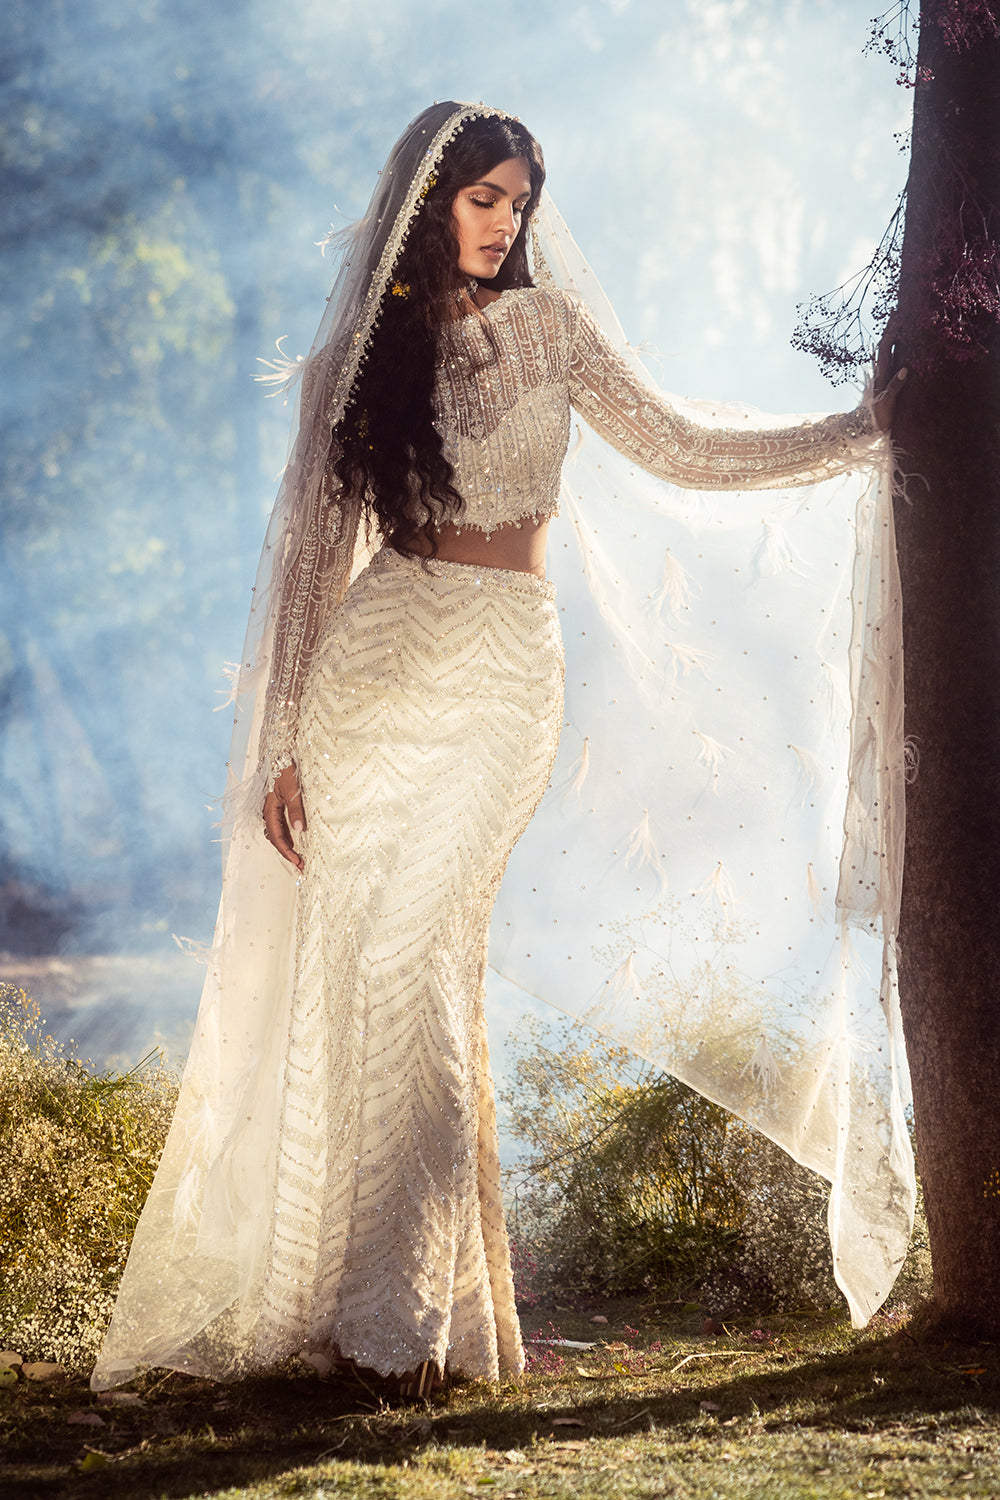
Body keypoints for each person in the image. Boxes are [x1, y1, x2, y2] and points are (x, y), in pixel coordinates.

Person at [92, 102, 909, 1397]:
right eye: (486, 199)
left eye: (520, 203)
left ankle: (401, 1330)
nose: (506, 223)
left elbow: (681, 446)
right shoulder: (366, 359)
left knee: (420, 960)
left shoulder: (550, 330)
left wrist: (851, 438)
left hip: (503, 668)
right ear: (431, 203)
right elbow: (311, 561)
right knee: (366, 970)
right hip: (375, 668)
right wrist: (287, 744)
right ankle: (359, 1316)